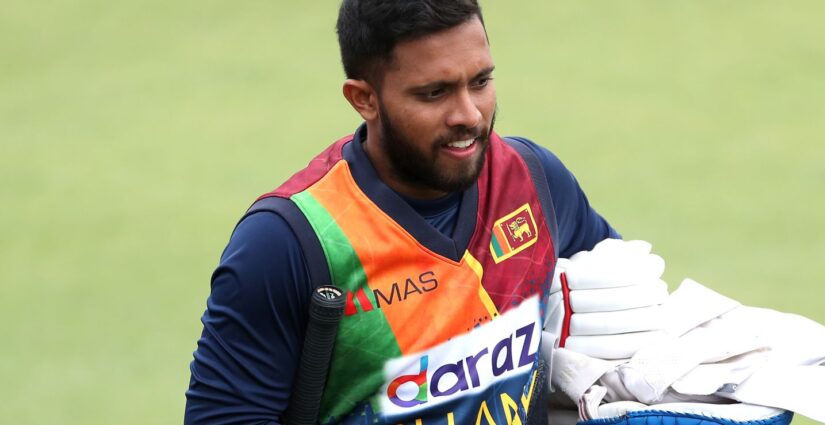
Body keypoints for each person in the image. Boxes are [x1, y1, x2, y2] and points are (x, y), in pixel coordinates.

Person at [185, 1, 619, 424]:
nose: (469, 115)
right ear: (364, 99)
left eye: (481, 81)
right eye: (435, 93)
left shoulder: (533, 181)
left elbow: (620, 304)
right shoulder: (287, 242)